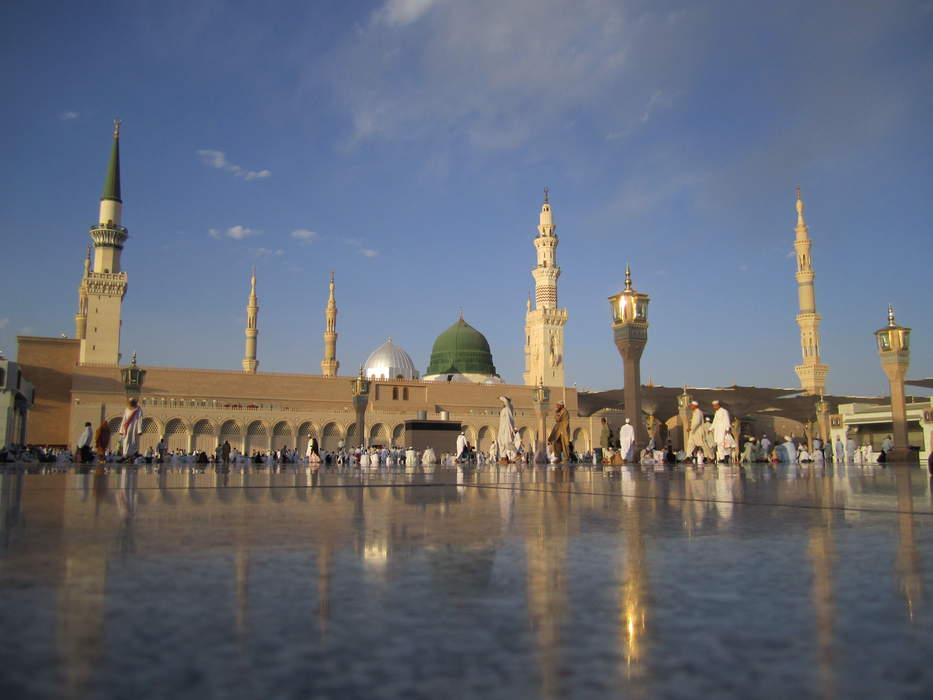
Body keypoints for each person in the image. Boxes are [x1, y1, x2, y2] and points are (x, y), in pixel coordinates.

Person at [497, 396, 517, 462]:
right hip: (502, 428)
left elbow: (506, 402)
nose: (503, 404)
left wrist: (501, 397)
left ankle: (517, 453)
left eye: (504, 402)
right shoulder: (503, 410)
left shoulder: (509, 408)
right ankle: (503, 458)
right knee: (500, 441)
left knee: (507, 442)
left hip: (507, 427)